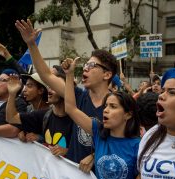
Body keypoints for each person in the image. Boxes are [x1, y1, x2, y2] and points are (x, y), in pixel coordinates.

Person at [15, 19, 118, 163]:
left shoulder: (118, 105)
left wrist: (94, 157)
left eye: (92, 65)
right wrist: (31, 44)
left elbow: (120, 143)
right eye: (86, 64)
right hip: (72, 175)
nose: (85, 68)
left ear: (107, 75)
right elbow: (47, 75)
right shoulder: (78, 97)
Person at [63, 57, 140, 179]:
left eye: (113, 107)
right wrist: (69, 75)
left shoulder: (139, 146)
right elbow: (70, 108)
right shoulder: (98, 133)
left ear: (128, 115)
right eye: (105, 106)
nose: (105, 110)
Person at [6, 73, 73, 157]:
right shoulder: (44, 114)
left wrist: (68, 151)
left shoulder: (77, 119)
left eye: (55, 87)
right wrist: (12, 94)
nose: (49, 91)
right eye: (49, 86)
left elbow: (88, 148)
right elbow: (11, 118)